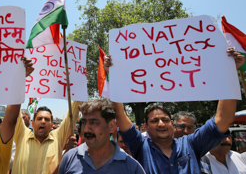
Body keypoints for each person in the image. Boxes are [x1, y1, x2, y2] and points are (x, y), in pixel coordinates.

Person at [104, 48, 244, 173]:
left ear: (172, 124)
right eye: (154, 121)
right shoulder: (140, 145)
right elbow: (120, 114)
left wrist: (230, 73)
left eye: (165, 120)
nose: (161, 124)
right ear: (145, 127)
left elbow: (223, 119)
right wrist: (115, 75)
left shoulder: (191, 144)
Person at [58, 98, 145, 173]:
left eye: (94, 122)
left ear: (111, 126)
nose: (86, 129)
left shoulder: (132, 167)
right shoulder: (69, 158)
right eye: (84, 122)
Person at [12, 102, 81, 173]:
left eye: (47, 119)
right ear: (32, 123)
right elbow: (13, 109)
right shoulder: (22, 135)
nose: (43, 121)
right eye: (39, 118)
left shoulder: (57, 137)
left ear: (51, 125)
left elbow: (72, 114)